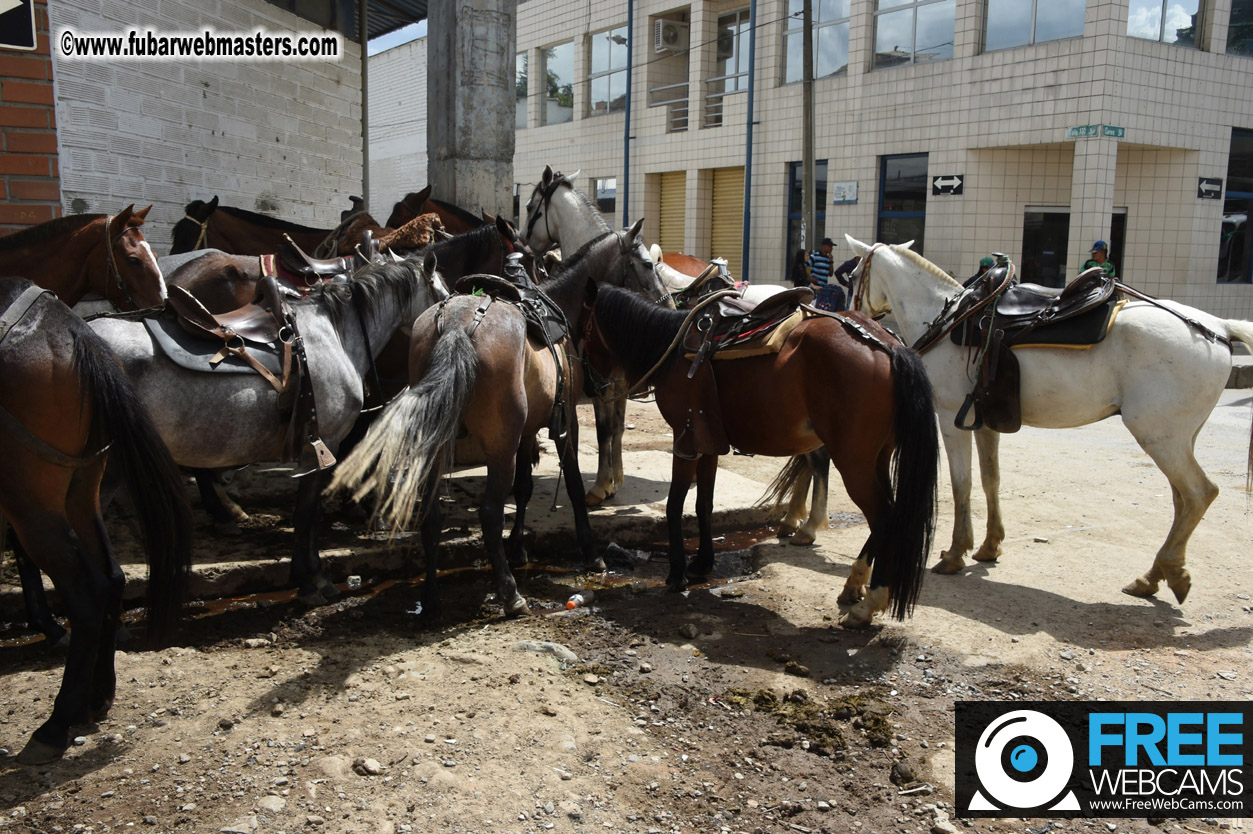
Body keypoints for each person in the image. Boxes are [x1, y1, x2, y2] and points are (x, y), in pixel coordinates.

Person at [808, 237, 844, 311]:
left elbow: (830, 274)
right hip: (814, 288)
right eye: (830, 246)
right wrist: (811, 278)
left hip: (823, 290)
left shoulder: (828, 259)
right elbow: (806, 268)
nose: (831, 248)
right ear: (824, 246)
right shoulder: (814, 256)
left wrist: (831, 262)